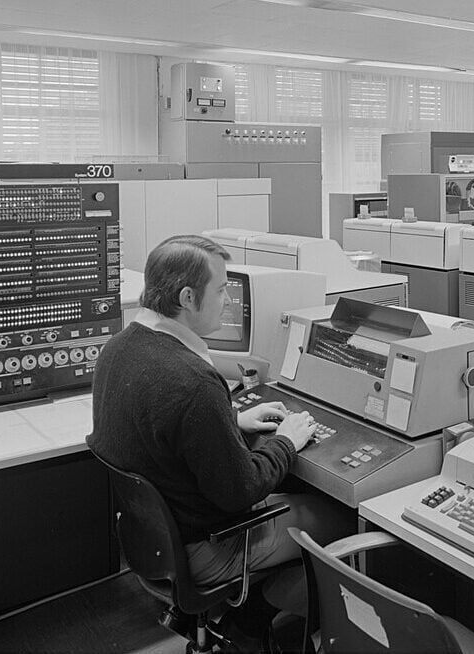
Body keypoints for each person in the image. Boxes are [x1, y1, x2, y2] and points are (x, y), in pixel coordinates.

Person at [88, 234, 352, 651]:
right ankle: (252, 617)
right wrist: (286, 441)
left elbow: (161, 427)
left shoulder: (118, 348)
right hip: (208, 547)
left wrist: (232, 420)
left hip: (156, 539)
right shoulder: (194, 381)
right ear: (188, 297)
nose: (228, 300)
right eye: (222, 289)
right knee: (344, 519)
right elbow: (240, 492)